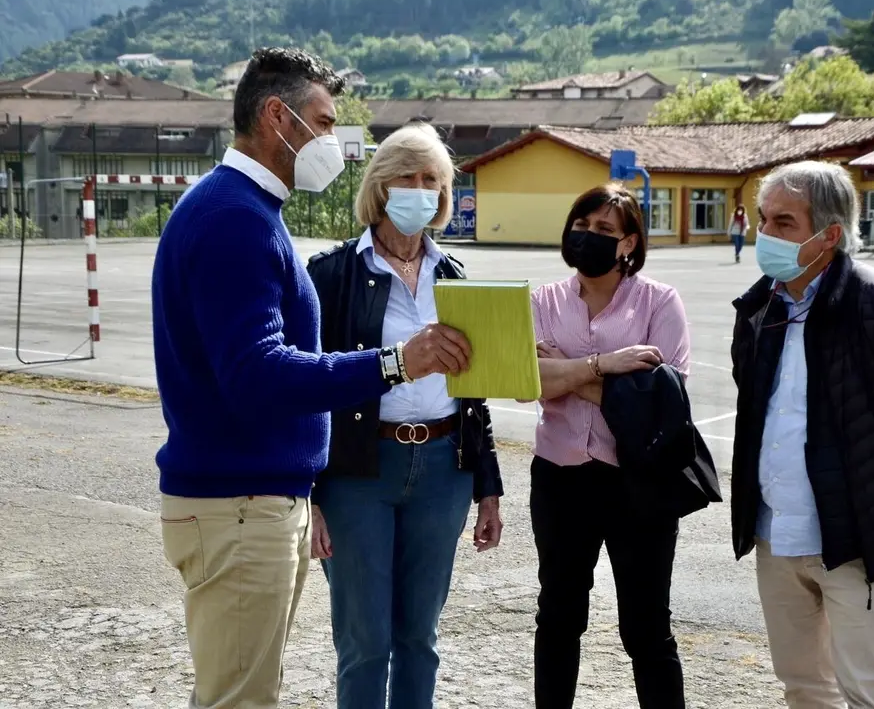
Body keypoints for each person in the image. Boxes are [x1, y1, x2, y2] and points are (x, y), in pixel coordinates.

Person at [151, 48, 472, 709]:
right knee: (240, 700)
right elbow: (258, 373)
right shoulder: (234, 219)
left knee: (248, 692)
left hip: (253, 500)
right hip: (239, 505)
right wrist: (395, 363)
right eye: (324, 123)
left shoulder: (248, 210)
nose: (333, 141)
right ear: (277, 116)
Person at [729, 161, 874, 708]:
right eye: (763, 219)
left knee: (869, 693)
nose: (765, 234)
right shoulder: (760, 308)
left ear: (829, 235)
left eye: (784, 223)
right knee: (804, 687)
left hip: (857, 542)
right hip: (776, 535)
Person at [304, 122, 504, 709]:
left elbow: (475, 394)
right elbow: (307, 387)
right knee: (366, 643)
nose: (420, 190)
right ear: (379, 186)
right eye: (406, 178)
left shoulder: (453, 275)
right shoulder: (330, 275)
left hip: (443, 469)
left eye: (431, 180)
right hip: (357, 473)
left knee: (420, 638)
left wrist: (488, 487)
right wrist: (309, 496)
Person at [528, 183, 692, 709]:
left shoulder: (659, 302)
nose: (588, 236)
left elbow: (661, 405)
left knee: (646, 628)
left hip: (638, 482)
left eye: (604, 229)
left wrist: (566, 371)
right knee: (558, 616)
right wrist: (606, 367)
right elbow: (527, 382)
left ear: (629, 242)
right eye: (581, 225)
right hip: (560, 478)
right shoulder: (542, 301)